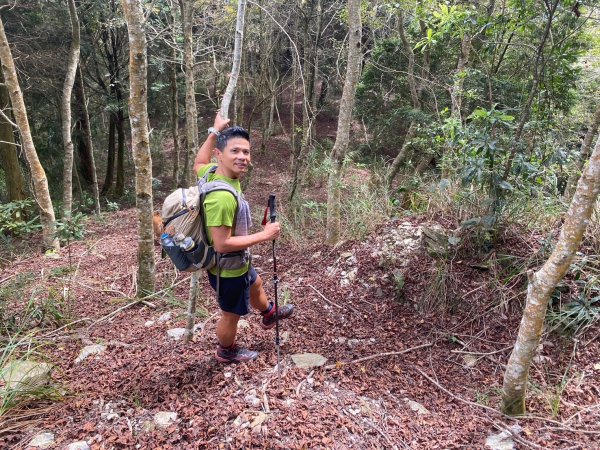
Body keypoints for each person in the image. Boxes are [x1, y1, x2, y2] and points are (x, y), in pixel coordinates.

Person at [193, 112, 294, 363]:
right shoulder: (222, 197)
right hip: (227, 268)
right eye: (235, 151)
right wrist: (265, 235)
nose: (242, 157)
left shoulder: (213, 172)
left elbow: (198, 163)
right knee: (231, 314)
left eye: (246, 152)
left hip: (239, 263)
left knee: (256, 284)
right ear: (221, 155)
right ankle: (226, 351)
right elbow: (222, 244)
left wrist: (215, 131)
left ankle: (269, 313)